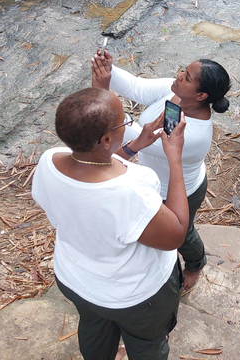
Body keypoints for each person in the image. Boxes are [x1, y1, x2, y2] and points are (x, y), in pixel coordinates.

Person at [32, 87, 188, 360]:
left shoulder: (49, 160)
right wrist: (175, 158)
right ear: (105, 139)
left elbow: (91, 166)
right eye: (124, 121)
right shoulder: (128, 192)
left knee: (94, 328)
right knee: (147, 344)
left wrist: (133, 145)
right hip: (134, 297)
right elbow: (175, 235)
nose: (128, 122)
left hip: (75, 280)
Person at [91, 54, 231, 292]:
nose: (178, 76)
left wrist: (103, 94)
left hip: (176, 192)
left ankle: (196, 263)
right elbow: (136, 86)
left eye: (186, 77)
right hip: (153, 181)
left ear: (201, 96)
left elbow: (132, 136)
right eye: (182, 71)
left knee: (183, 235)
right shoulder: (177, 92)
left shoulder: (193, 136)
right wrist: (108, 69)